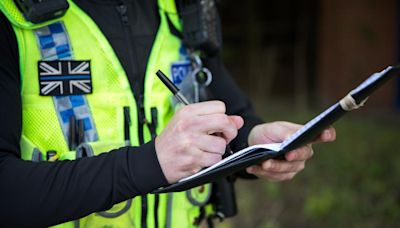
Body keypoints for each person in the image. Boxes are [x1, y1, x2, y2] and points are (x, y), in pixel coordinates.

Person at [0, 0, 336, 227]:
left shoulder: (184, 9)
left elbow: (233, 115)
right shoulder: (11, 16)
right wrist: (149, 163)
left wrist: (253, 143)